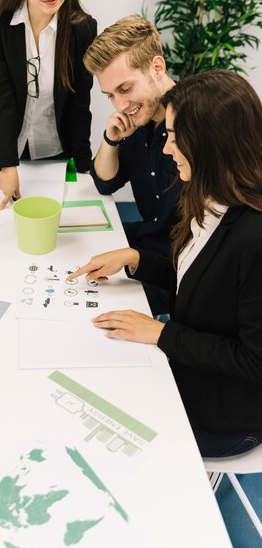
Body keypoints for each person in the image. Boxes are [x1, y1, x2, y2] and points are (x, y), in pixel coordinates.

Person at [68, 70, 262, 458]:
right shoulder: (206, 194)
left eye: (175, 138)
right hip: (191, 365)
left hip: (225, 417)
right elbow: (198, 281)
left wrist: (160, 335)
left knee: (91, 412)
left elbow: (255, 362)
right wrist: (135, 259)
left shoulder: (254, 236)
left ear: (210, 144)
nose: (168, 150)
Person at [0, 0, 97, 210]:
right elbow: (0, 95)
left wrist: (84, 168)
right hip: (12, 150)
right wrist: (7, 165)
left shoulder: (82, 28)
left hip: (59, 154)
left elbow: (80, 105)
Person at [83, 15, 182, 314]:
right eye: (111, 95)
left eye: (125, 89)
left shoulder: (195, 124)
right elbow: (105, 182)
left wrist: (133, 258)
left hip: (177, 267)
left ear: (157, 67)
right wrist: (111, 139)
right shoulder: (136, 120)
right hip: (146, 239)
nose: (120, 105)